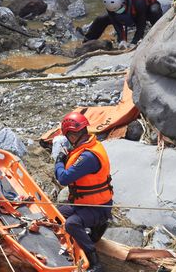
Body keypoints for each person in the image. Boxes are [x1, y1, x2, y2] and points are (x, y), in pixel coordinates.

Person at [54, 111, 113, 272]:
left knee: (72, 224)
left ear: (72, 136)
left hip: (98, 207)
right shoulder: (90, 145)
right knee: (57, 213)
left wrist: (58, 162)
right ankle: (95, 229)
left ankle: (95, 262)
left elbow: (64, 178)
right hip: (87, 203)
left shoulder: (88, 157)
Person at [83, 0, 164, 49]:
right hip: (131, 13)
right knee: (100, 19)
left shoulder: (138, 0)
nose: (118, 12)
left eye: (119, 9)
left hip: (144, 12)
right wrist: (122, 40)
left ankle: (162, 35)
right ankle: (86, 43)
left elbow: (141, 24)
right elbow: (115, 22)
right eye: (115, 11)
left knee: (155, 11)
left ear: (123, 0)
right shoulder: (110, 4)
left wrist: (134, 42)